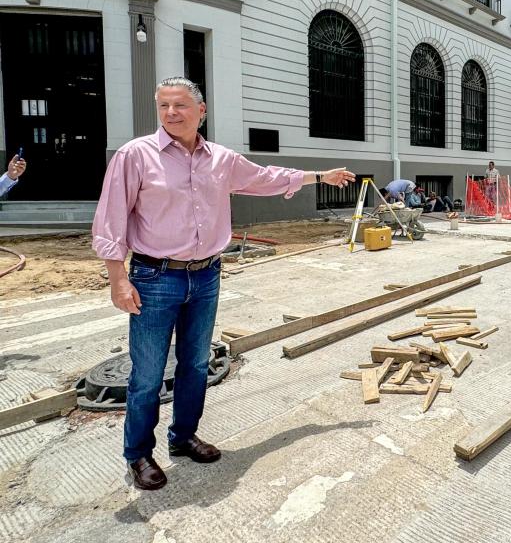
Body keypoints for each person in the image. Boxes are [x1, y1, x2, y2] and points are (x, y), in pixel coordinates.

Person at [92, 77, 355, 492]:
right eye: (163, 106)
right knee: (147, 373)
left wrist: (319, 175)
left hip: (207, 274)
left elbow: (267, 177)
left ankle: (183, 438)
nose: (171, 113)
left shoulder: (222, 159)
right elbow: (111, 218)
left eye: (180, 105)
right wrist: (117, 278)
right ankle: (138, 454)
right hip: (154, 277)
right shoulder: (135, 155)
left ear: (202, 110)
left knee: (195, 364)